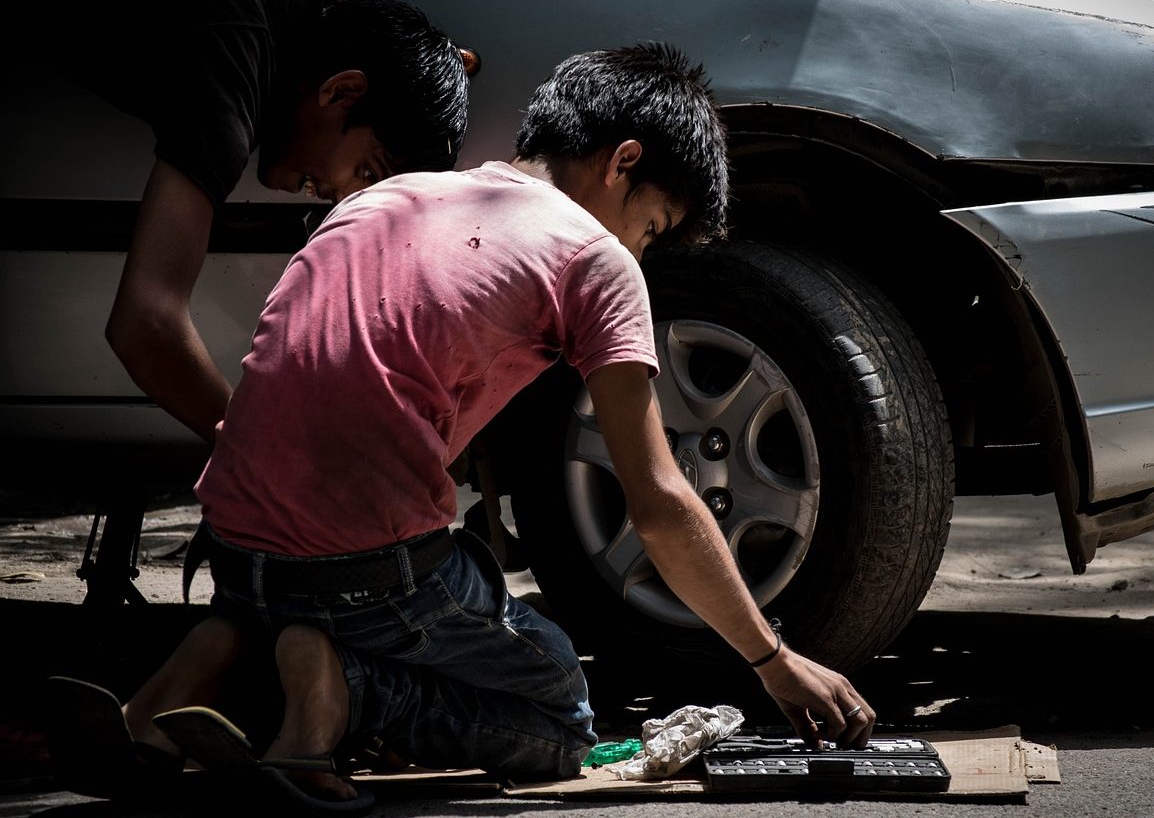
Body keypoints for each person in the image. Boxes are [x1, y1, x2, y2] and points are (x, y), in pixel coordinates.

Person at [59, 43, 875, 807]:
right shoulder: (596, 258)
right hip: (359, 570)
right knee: (556, 708)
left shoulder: (385, 195)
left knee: (371, 575)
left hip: (233, 544)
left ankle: (207, 660)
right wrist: (774, 661)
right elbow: (658, 503)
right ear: (623, 162)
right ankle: (339, 688)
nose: (642, 247)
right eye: (654, 225)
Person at [16, 0, 469, 444]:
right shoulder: (235, 61)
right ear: (340, 91)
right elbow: (148, 324)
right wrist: (271, 460)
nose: (344, 201)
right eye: (367, 172)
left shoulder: (278, 30)